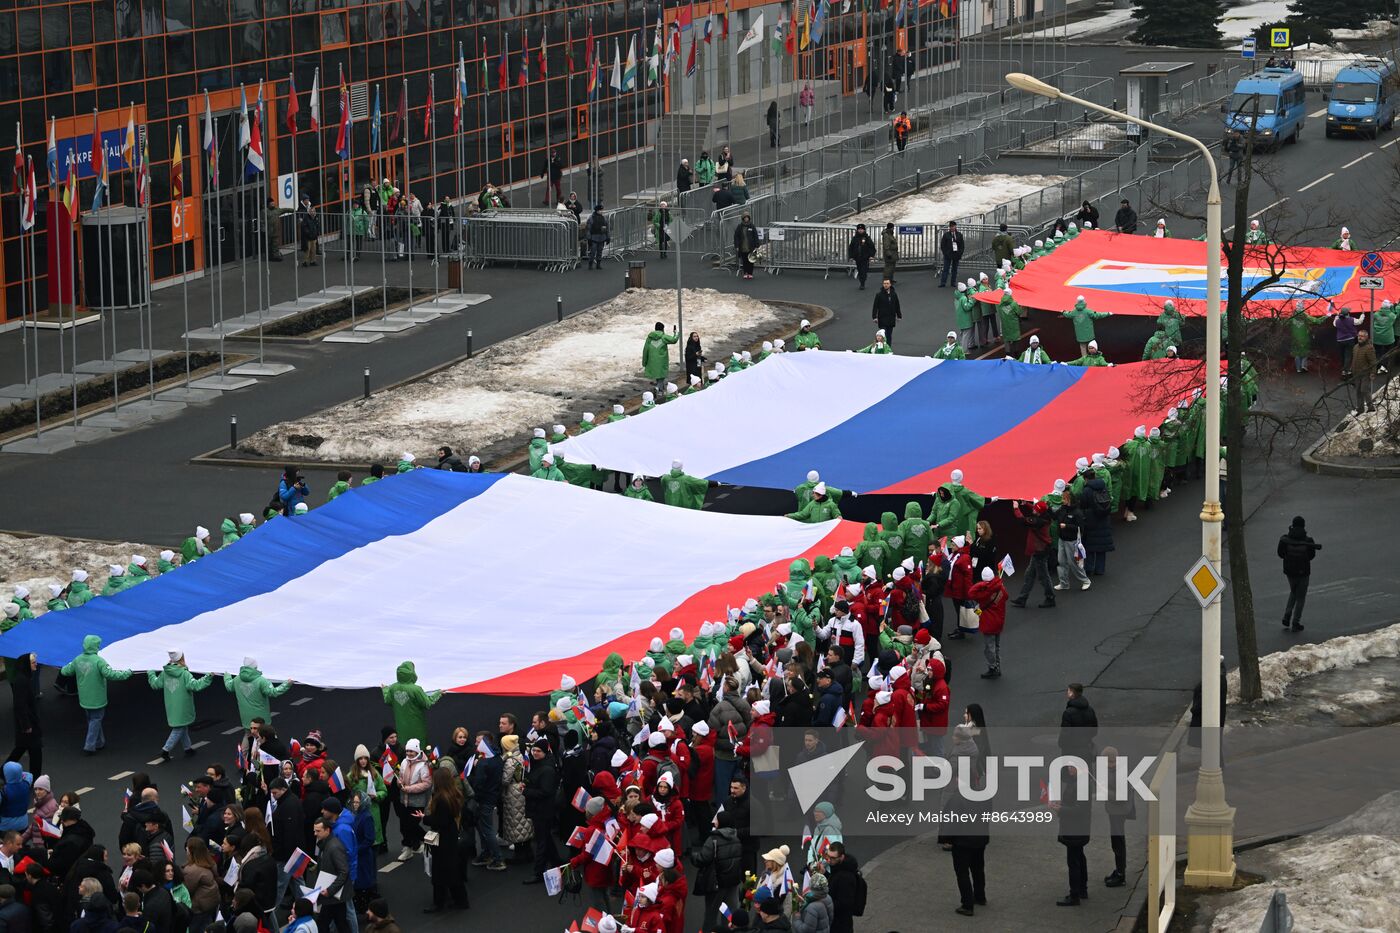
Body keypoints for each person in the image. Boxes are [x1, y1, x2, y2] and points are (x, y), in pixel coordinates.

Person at [61, 636, 133, 756]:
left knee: (92, 719)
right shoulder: (99, 661)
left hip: (84, 698)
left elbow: (65, 671)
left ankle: (100, 742)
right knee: (96, 719)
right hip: (97, 698)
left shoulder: (78, 659)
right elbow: (111, 675)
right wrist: (127, 673)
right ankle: (90, 745)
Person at [148, 652, 212, 761]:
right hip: (183, 706)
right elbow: (195, 685)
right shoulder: (184, 674)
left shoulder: (165, 673)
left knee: (182, 726)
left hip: (171, 706)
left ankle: (187, 748)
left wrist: (150, 672)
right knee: (179, 727)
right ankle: (165, 750)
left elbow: (155, 684)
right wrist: (208, 677)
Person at [422, 769, 469, 912]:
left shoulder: (441, 799)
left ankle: (439, 903)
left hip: (443, 841)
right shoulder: (453, 795)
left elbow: (439, 821)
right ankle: (460, 900)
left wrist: (425, 818)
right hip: (451, 838)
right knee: (452, 872)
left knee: (439, 874)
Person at [521, 739, 559, 884]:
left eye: (538, 751)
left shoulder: (547, 770)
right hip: (539, 809)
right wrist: (527, 783)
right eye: (534, 750)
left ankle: (538, 872)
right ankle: (556, 862)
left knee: (541, 841)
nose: (535, 753)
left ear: (545, 752)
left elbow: (545, 791)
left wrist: (526, 791)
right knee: (546, 838)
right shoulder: (538, 765)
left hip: (543, 810)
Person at [1055, 767, 1091, 907]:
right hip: (1079, 828)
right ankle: (1082, 889)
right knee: (1080, 857)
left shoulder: (1080, 785)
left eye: (1073, 766)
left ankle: (1074, 894)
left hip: (1074, 829)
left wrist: (1061, 809)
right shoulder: (1078, 782)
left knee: (1073, 861)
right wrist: (1062, 804)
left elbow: (1080, 809)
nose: (1070, 769)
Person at [381, 661, 441, 747]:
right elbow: (427, 703)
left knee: (404, 750)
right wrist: (438, 693)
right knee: (418, 749)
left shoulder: (393, 688)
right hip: (417, 729)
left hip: (401, 729)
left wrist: (385, 689)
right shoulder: (416, 689)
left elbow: (388, 700)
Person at [1009, 500, 1055, 609]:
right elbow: (1037, 508)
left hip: (1040, 551)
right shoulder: (1045, 515)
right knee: (1029, 575)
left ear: (1039, 512)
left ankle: (1050, 597)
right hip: (1039, 550)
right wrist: (1027, 504)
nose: (1033, 509)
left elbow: (1023, 520)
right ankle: (1022, 598)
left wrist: (1016, 508)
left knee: (1043, 576)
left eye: (1035, 509)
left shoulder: (1038, 522)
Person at [1278, 515, 1320, 632]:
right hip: (1303, 572)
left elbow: (1280, 554)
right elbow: (1311, 556)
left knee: (1294, 591)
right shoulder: (1308, 541)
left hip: (1290, 572)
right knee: (1301, 597)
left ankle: (1287, 615)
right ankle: (1296, 621)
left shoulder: (1285, 539)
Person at [312, 817, 352, 933]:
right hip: (333, 896)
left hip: (333, 895)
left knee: (325, 924)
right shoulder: (326, 844)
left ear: (327, 830)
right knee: (339, 923)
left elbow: (344, 872)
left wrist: (330, 890)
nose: (315, 834)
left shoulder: (334, 847)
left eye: (318, 831)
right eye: (314, 831)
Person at [969, 567, 1007, 679]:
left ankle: (993, 667)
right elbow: (1006, 597)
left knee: (989, 647)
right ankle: (997, 666)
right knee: (996, 646)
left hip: (988, 622)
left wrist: (981, 585)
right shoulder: (1001, 588)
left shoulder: (983, 594)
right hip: (999, 621)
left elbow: (971, 593)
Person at [643, 321, 680, 398]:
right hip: (662, 361)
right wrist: (676, 333)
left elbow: (645, 350)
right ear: (662, 329)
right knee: (661, 376)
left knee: (658, 376)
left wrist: (644, 361)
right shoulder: (663, 337)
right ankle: (658, 389)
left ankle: (661, 390)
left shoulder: (649, 338)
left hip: (652, 361)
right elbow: (674, 340)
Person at [871, 278, 901, 347]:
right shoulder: (879, 295)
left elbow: (897, 305)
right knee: (882, 335)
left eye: (887, 283)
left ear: (890, 284)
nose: (886, 285)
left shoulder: (894, 294)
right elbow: (875, 306)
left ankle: (888, 348)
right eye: (884, 283)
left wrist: (899, 315)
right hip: (882, 318)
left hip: (891, 318)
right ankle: (881, 348)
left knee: (889, 335)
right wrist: (874, 317)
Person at [847, 224, 876, 290]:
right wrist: (851, 256)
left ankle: (862, 283)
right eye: (859, 229)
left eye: (861, 229)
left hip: (865, 258)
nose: (860, 230)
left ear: (864, 230)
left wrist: (871, 256)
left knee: (863, 270)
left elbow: (872, 247)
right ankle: (861, 280)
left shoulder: (867, 238)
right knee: (860, 270)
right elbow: (851, 248)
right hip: (857, 258)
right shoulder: (855, 238)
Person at [938, 221, 964, 287]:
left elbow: (962, 245)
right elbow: (942, 245)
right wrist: (945, 253)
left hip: (956, 254)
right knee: (945, 269)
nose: (952, 228)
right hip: (948, 254)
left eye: (953, 226)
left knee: (954, 269)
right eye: (950, 226)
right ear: (949, 227)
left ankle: (953, 283)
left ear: (955, 226)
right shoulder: (946, 235)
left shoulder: (959, 235)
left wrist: (960, 253)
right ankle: (943, 283)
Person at [734, 214, 759, 279]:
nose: (746, 219)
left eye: (747, 218)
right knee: (744, 260)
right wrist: (736, 246)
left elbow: (755, 236)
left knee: (751, 260)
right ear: (743, 218)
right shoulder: (740, 226)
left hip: (751, 246)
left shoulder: (752, 226)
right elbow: (736, 236)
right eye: (745, 218)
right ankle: (745, 273)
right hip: (742, 246)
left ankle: (750, 273)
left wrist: (757, 245)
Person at [586, 204, 609, 270]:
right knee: (593, 251)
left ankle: (598, 264)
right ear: (597, 210)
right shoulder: (591, 218)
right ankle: (590, 264)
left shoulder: (604, 218)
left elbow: (607, 229)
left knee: (600, 251)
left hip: (602, 237)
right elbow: (588, 229)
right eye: (600, 210)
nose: (601, 211)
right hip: (594, 237)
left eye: (602, 210)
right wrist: (589, 238)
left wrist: (608, 237)